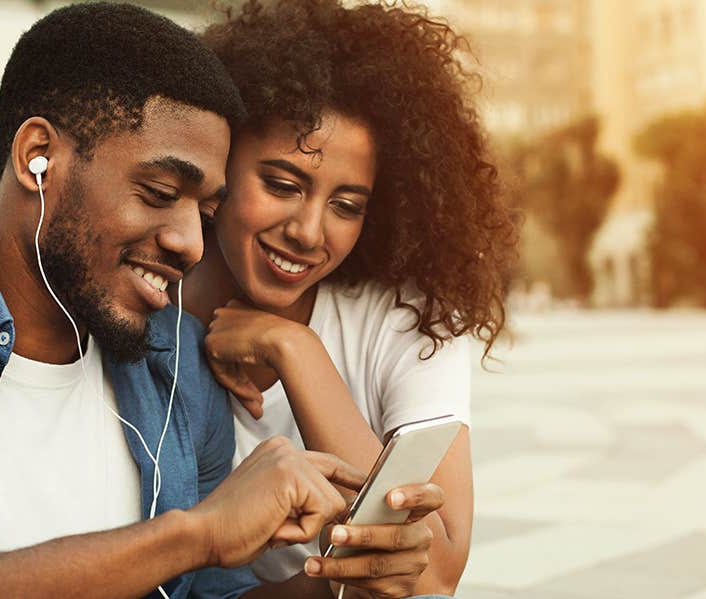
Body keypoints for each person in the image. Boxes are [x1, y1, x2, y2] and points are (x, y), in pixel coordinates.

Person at [0, 4, 445, 598]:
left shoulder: (175, 363)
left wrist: (345, 579)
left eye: (204, 209)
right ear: (38, 155)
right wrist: (191, 534)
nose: (190, 243)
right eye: (160, 195)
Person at [185, 1, 518, 596]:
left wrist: (295, 348)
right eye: (283, 185)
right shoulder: (150, 295)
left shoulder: (410, 316)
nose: (310, 232)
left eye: (347, 206)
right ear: (222, 156)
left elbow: (433, 577)